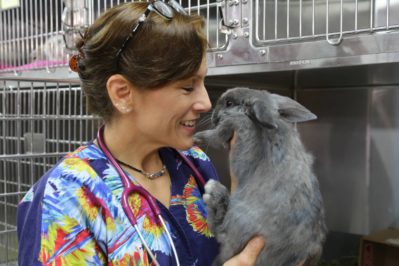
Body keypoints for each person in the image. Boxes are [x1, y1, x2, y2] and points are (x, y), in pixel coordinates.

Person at [17, 1, 265, 265]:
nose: (205, 102)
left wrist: (243, 203)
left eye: (202, 82)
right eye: (187, 87)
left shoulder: (194, 163)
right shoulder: (64, 199)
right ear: (123, 94)